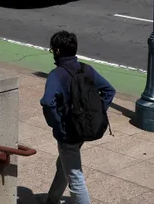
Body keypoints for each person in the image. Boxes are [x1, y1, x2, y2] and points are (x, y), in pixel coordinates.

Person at [39, 30, 117, 204]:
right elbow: (109, 90)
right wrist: (96, 112)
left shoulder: (57, 74)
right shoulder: (86, 69)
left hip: (68, 132)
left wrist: (57, 124)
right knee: (64, 164)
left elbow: (47, 102)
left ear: (57, 51)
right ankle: (51, 200)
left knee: (75, 177)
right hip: (83, 129)